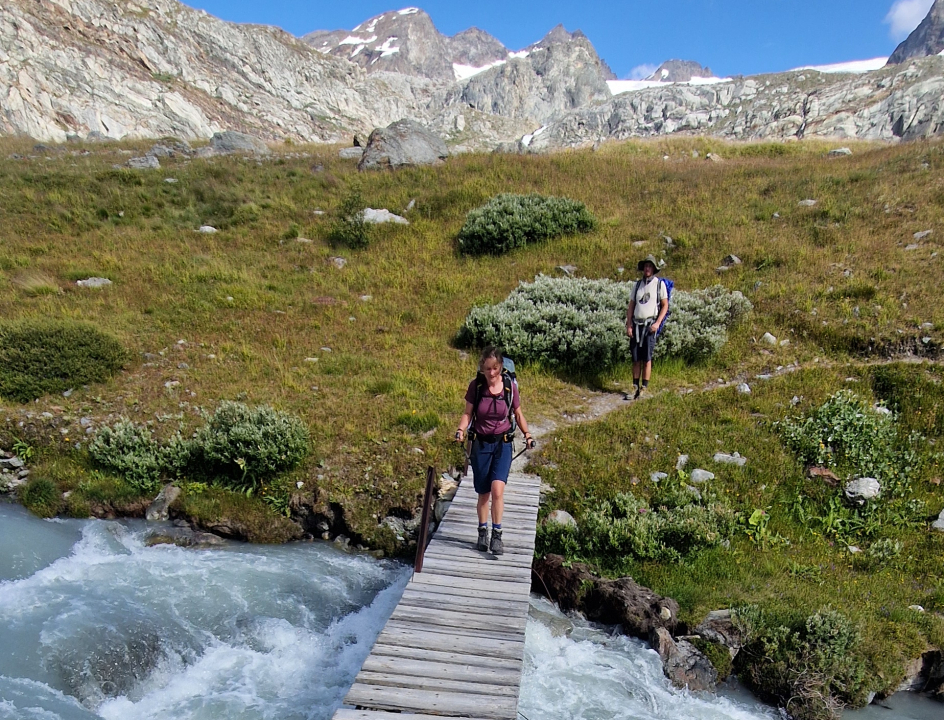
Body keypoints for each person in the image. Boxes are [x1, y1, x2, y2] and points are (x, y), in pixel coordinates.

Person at [455, 346, 535, 555]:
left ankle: (497, 535)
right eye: (488, 369)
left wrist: (527, 434)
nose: (491, 373)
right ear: (482, 368)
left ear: (501, 368)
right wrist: (460, 429)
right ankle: (483, 530)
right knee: (483, 493)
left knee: (497, 490)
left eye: (495, 369)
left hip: (503, 444)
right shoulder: (476, 386)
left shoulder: (509, 387)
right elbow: (467, 413)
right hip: (481, 444)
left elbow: (518, 414)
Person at [625, 255, 669, 400]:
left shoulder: (659, 284)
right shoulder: (637, 285)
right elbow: (631, 305)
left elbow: (665, 305)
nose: (647, 268)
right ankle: (634, 387)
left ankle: (644, 388)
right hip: (636, 325)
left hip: (650, 327)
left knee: (647, 358)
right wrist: (629, 324)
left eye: (650, 266)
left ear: (654, 268)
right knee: (636, 358)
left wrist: (657, 323)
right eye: (645, 266)